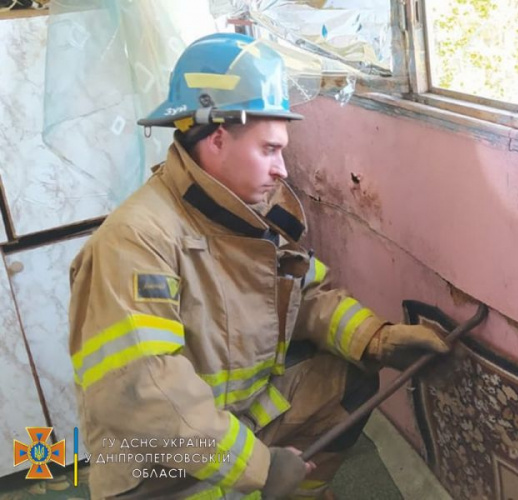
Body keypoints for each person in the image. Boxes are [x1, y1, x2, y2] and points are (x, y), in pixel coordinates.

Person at [68, 32, 448, 500]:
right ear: (218, 138)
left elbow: (300, 297)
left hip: (233, 418)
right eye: (270, 149)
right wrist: (259, 468)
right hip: (161, 464)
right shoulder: (136, 240)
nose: (282, 169)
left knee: (347, 374)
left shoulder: (242, 214)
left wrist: (375, 338)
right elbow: (147, 396)